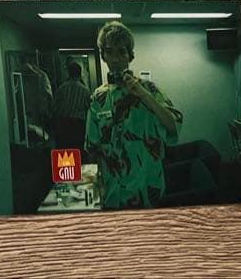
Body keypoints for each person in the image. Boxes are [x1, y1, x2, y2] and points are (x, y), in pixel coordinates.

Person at [85, 21, 182, 209]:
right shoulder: (98, 97)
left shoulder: (149, 90)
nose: (115, 59)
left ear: (130, 56)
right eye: (109, 52)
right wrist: (97, 185)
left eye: (121, 52)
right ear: (103, 56)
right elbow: (92, 147)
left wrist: (143, 95)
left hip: (146, 188)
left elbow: (173, 125)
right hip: (113, 192)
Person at [53, 62, 91, 152]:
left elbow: (54, 108)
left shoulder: (61, 88)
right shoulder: (85, 91)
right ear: (80, 74)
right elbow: (89, 110)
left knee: (64, 153)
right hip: (78, 125)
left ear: (69, 73)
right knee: (77, 151)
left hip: (63, 124)